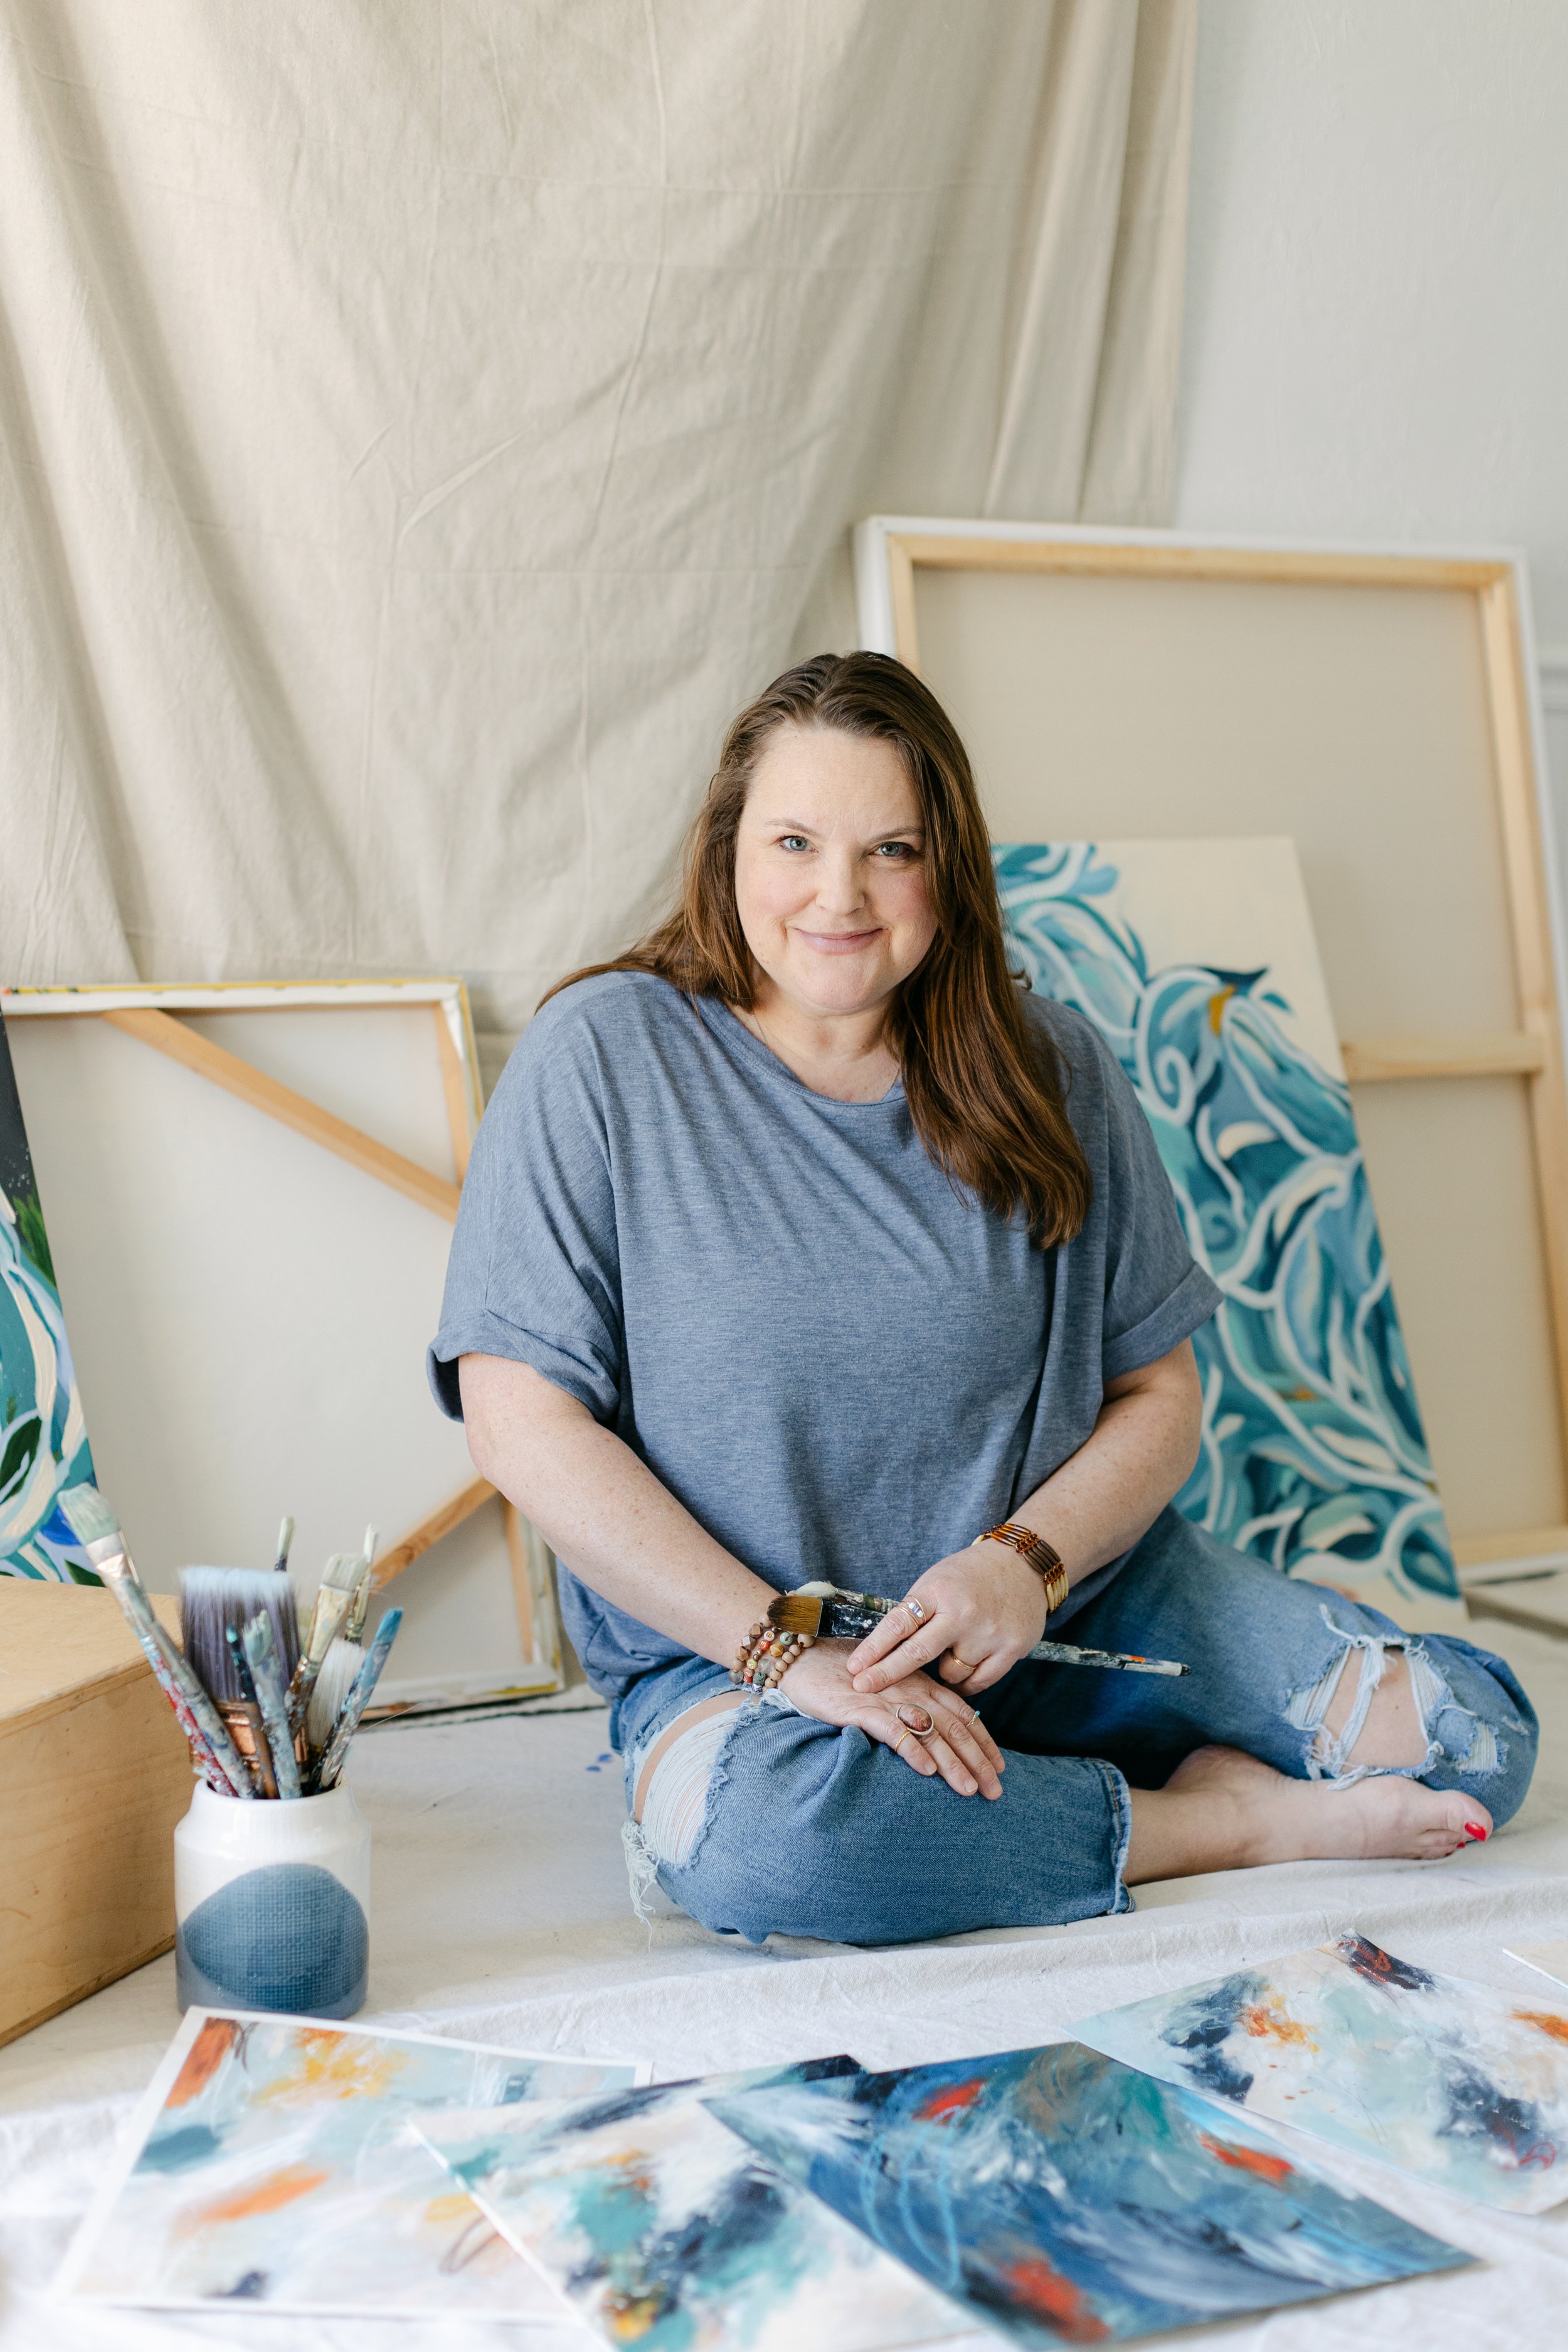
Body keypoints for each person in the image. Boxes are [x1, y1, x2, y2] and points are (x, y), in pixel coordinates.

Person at [428, 652, 1536, 1946]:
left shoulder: (1049, 1063)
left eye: (888, 849)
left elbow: (1158, 1396)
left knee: (1470, 1746)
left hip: (1075, 1612)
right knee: (774, 1854)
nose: (836, 896)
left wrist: (1022, 1565)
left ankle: (1015, 1804)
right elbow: (519, 1425)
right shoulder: (602, 1057)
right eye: (793, 841)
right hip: (744, 1660)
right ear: (726, 848)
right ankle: (1212, 1826)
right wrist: (789, 1660)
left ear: (943, 867)